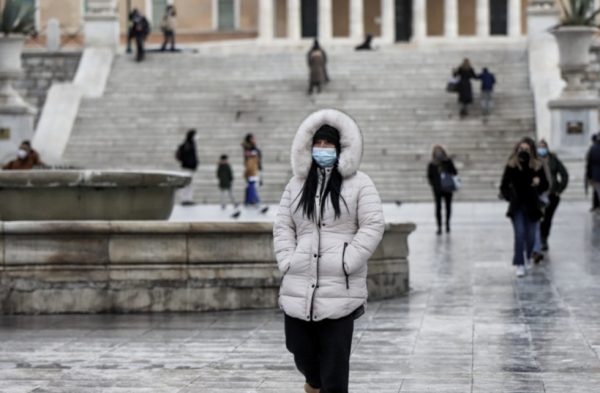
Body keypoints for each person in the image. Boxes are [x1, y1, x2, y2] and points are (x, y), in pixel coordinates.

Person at [273, 109, 385, 393]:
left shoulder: (360, 183)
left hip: (340, 288)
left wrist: (348, 260)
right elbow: (283, 224)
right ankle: (313, 383)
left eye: (329, 144)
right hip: (299, 281)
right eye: (318, 144)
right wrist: (288, 259)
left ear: (341, 148)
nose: (323, 149)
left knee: (335, 366)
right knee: (298, 347)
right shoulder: (297, 184)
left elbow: (373, 223)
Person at [500, 137, 549, 277]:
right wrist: (511, 196)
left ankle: (527, 257)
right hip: (517, 206)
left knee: (531, 236)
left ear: (532, 150)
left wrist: (539, 182)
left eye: (527, 149)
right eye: (521, 149)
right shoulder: (511, 165)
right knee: (519, 234)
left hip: (533, 206)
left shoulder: (537, 166)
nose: (523, 152)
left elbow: (546, 185)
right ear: (517, 150)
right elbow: (503, 186)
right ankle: (519, 263)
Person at [537, 140, 569, 251]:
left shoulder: (553, 159)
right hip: (538, 195)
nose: (542, 149)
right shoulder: (534, 160)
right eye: (540, 147)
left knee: (547, 218)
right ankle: (538, 239)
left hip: (552, 195)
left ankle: (544, 238)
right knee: (537, 218)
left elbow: (564, 174)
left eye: (543, 147)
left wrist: (559, 189)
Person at [427, 145, 458, 235]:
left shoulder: (447, 161)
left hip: (448, 188)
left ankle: (447, 224)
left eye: (440, 151)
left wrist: (446, 168)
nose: (438, 153)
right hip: (438, 189)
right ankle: (439, 227)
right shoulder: (432, 164)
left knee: (448, 207)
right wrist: (434, 184)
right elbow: (429, 176)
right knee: (438, 207)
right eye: (437, 152)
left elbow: (455, 172)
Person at [176, 129, 199, 205]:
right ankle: (184, 199)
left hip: (190, 167)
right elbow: (186, 156)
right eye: (195, 135)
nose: (197, 137)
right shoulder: (187, 145)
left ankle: (189, 199)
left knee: (190, 184)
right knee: (186, 184)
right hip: (186, 167)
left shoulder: (192, 144)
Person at [242, 134, 263, 207]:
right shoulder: (248, 148)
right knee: (251, 186)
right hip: (250, 169)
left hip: (254, 168)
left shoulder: (254, 148)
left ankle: (248, 202)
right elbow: (248, 156)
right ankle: (255, 201)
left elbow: (258, 156)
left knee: (250, 186)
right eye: (252, 139)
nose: (254, 140)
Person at [586, 132, 600, 212]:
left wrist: (589, 176)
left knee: (596, 191)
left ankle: (596, 206)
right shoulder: (594, 148)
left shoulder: (593, 148)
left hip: (595, 175)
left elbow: (589, 163)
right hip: (596, 174)